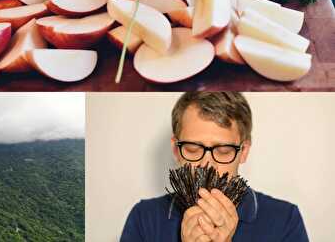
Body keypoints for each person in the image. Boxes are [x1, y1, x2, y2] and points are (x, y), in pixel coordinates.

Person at [120, 92, 309, 242]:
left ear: (243, 151)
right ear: (176, 150)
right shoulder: (144, 218)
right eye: (193, 149)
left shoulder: (285, 220)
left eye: (223, 151)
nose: (207, 165)